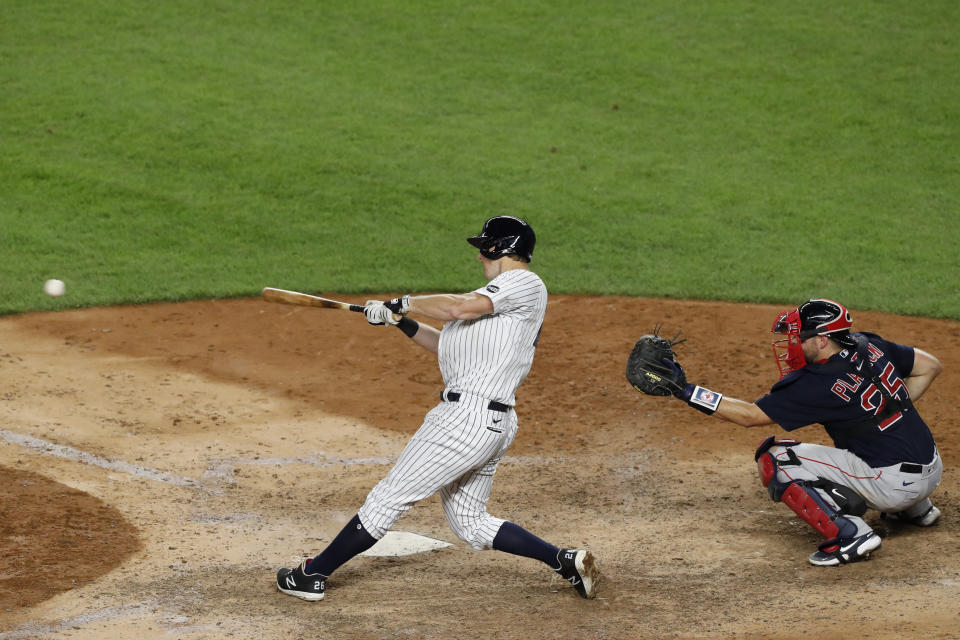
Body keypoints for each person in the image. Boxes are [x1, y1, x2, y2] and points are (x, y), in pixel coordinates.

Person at [276, 215, 599, 601]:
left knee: (387, 499)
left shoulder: (521, 284)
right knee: (470, 522)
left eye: (483, 247)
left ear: (499, 248)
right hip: (489, 422)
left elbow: (458, 309)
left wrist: (404, 300)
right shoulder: (496, 303)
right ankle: (564, 560)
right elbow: (444, 343)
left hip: (463, 422)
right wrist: (400, 321)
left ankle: (312, 574)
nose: (479, 256)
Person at [660, 298, 943, 566]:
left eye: (800, 337)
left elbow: (750, 416)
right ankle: (917, 509)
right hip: (932, 470)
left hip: (892, 486)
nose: (793, 344)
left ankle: (851, 535)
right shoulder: (869, 345)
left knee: (777, 459)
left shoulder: (815, 382)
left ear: (822, 340)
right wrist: (886, 407)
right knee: (876, 438)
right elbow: (931, 366)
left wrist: (685, 391)